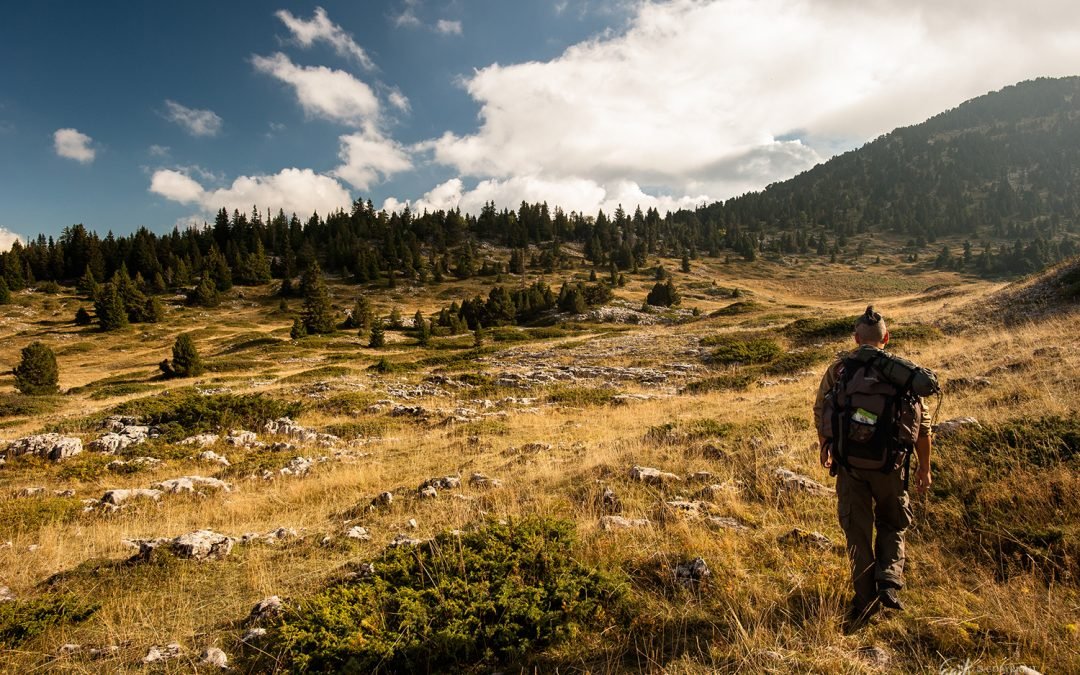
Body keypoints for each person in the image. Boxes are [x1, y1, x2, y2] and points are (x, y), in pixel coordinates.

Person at [812, 306, 932, 629]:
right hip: (891, 467)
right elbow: (923, 428)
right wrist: (924, 468)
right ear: (886, 339)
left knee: (858, 534)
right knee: (893, 523)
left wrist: (827, 447)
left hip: (850, 466)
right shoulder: (902, 374)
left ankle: (864, 603)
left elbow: (822, 408)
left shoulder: (839, 369)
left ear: (856, 338)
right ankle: (890, 579)